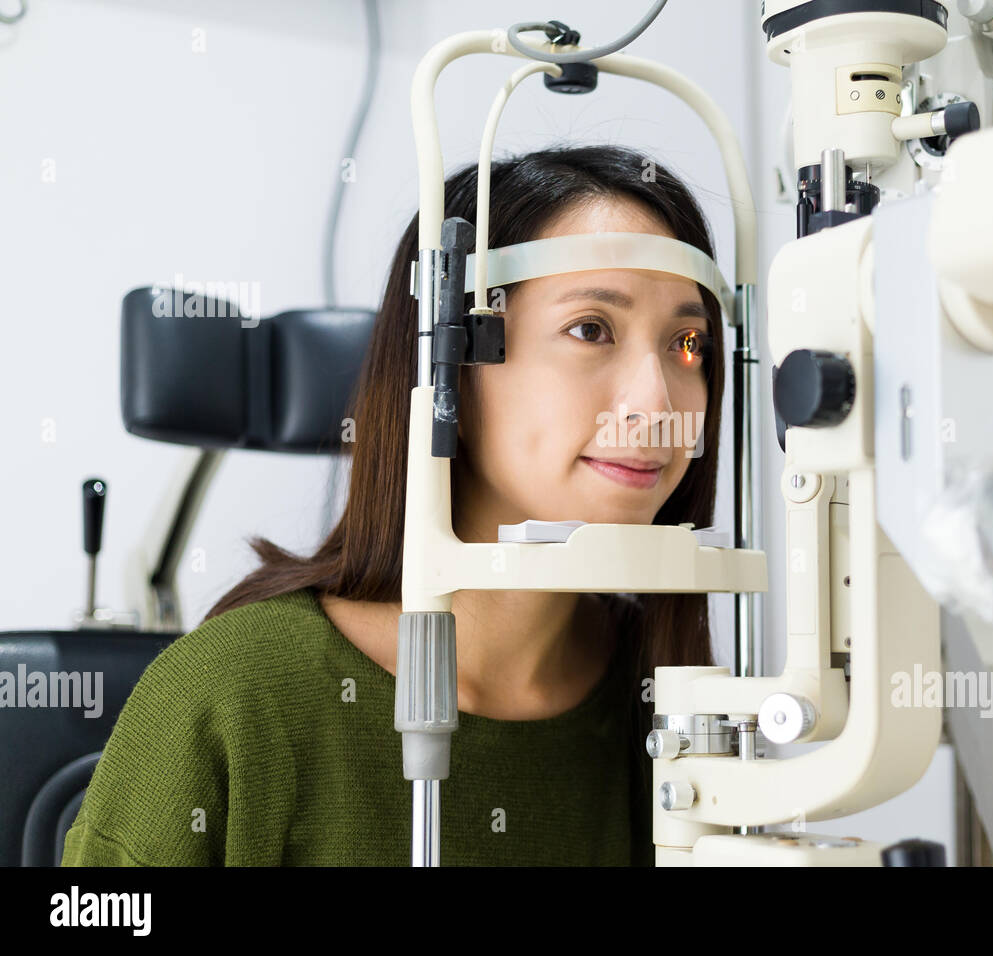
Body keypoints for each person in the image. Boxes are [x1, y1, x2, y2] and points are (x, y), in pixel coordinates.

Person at [60, 144, 728, 866]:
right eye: (591, 328)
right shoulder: (232, 694)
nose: (657, 403)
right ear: (449, 369)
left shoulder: (666, 689)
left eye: (685, 343)